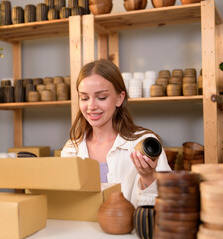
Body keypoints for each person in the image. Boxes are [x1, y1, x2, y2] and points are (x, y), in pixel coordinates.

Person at [61, 59, 171, 207]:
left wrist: (148, 177)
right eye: (84, 98)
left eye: (101, 97)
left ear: (119, 98)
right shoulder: (71, 149)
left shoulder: (145, 144)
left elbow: (168, 204)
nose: (91, 106)